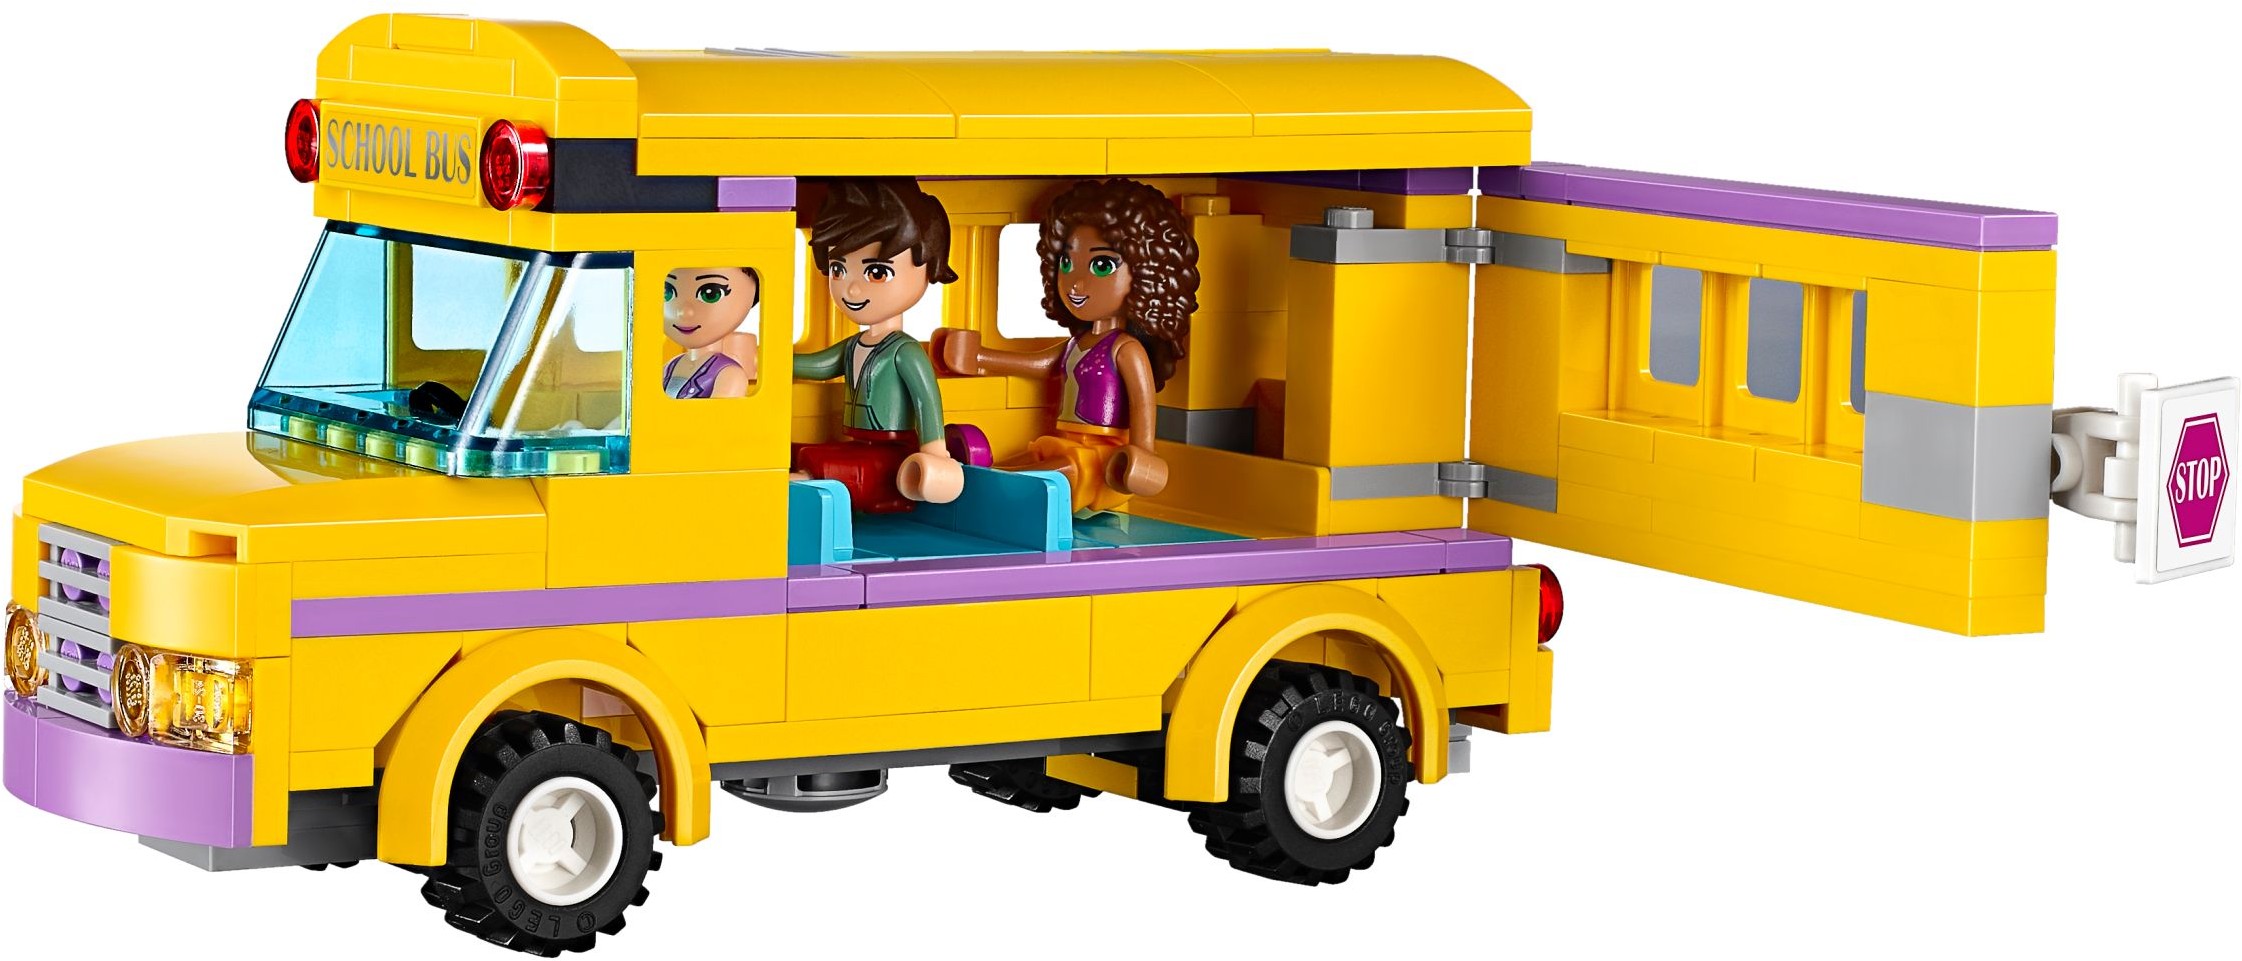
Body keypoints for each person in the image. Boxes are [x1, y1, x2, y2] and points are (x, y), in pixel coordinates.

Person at [935, 178, 1198, 514]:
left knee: (1051, 472)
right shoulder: (1077, 343)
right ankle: (980, 478)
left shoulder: (1126, 349)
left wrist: (1143, 451)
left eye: (1101, 266)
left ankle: (986, 488)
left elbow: (1143, 403)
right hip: (1064, 442)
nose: (1075, 282)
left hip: (1102, 459)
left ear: (1147, 276)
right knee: (1027, 462)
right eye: (1066, 263)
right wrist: (979, 357)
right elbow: (1042, 364)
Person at [793, 179, 964, 512]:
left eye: (876, 272)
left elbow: (927, 399)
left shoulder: (904, 351)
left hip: (893, 457)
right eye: (838, 269)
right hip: (859, 445)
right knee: (801, 452)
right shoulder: (854, 346)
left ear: (928, 267)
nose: (852, 289)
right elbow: (816, 365)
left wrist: (934, 453)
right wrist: (764, 360)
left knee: (817, 465)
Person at [660, 266, 758, 399]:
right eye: (667, 293)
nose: (684, 312)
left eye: (710, 294)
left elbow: (718, 413)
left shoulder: (729, 374)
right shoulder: (669, 367)